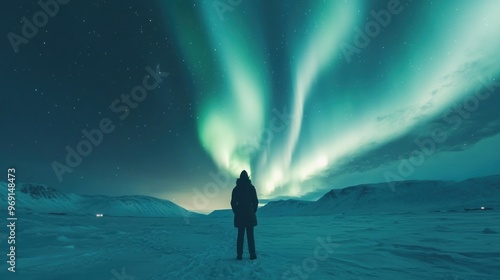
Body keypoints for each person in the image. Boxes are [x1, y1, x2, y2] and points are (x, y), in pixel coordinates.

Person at [231, 170, 258, 260]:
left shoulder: (236, 188)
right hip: (249, 215)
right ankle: (252, 254)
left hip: (240, 216)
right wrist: (253, 211)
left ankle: (239, 255)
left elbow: (233, 203)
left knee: (240, 236)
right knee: (250, 236)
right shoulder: (251, 188)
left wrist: (237, 212)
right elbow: (255, 201)